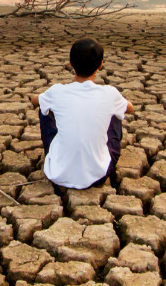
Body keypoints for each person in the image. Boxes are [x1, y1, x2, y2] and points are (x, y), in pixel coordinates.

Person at [29, 37, 135, 189]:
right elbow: (130, 108)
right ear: (100, 65)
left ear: (71, 63)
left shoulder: (57, 91)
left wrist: (46, 99)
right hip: (99, 174)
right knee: (116, 112)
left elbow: (35, 100)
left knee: (44, 108)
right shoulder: (110, 94)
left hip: (58, 173)